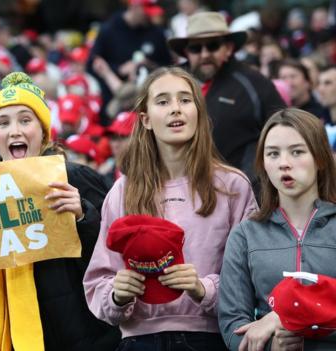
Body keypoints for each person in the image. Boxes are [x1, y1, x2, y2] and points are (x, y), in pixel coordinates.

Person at [0, 72, 119, 351]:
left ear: (43, 131)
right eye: (3, 123)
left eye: (25, 120)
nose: (14, 130)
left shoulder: (73, 177)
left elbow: (115, 258)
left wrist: (83, 217)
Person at [83, 67, 257, 351]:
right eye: (163, 101)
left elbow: (250, 277)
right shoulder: (123, 190)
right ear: (146, 119)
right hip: (138, 341)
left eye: (185, 100)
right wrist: (117, 294)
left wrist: (204, 288)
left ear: (199, 113)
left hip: (210, 339)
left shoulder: (233, 185)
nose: (176, 109)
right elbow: (98, 280)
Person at [218, 108, 336, 351]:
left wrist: (286, 314)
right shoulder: (245, 235)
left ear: (321, 158)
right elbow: (232, 325)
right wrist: (272, 345)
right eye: (273, 154)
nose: (284, 163)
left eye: (297, 152)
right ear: (263, 164)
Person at [168, 11, 285, 192]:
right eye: (196, 48)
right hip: (178, 190)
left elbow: (283, 133)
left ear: (229, 48)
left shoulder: (255, 83)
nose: (205, 54)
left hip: (241, 193)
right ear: (186, 52)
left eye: (213, 46)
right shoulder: (168, 82)